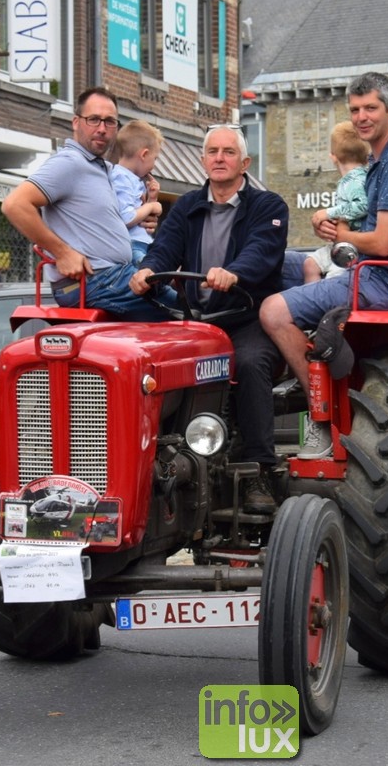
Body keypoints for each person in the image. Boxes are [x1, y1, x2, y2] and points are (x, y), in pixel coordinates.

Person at [261, 71, 388, 459]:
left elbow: (384, 242)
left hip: (383, 283)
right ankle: (285, 370)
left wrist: (340, 233)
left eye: (370, 108)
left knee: (272, 310)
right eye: (355, 109)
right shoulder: (381, 158)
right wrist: (334, 227)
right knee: (268, 267)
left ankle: (319, 413)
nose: (361, 117)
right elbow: (364, 230)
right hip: (370, 271)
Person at [129, 125, 288, 512]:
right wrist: (148, 270)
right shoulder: (186, 206)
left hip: (247, 316)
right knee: (147, 365)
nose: (219, 158)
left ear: (244, 162)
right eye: (213, 151)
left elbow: (261, 251)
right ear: (203, 161)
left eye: (228, 152)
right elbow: (164, 249)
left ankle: (259, 472)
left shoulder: (268, 207)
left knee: (251, 363)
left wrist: (234, 273)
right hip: (198, 320)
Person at [1, 87, 167, 321]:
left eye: (110, 122)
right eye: (94, 120)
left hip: (113, 277)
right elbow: (14, 204)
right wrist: (62, 253)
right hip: (95, 281)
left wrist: (145, 213)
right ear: (76, 122)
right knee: (186, 311)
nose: (101, 128)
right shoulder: (70, 163)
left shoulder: (103, 169)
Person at [303, 121, 369, 283]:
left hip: (353, 247)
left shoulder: (356, 180)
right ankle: (313, 298)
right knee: (310, 264)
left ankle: (319, 301)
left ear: (333, 156)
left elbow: (362, 205)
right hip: (343, 242)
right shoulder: (350, 180)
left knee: (334, 276)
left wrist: (329, 212)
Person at [110, 119, 164, 264]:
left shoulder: (131, 178)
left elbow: (141, 220)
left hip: (141, 244)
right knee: (152, 276)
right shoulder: (120, 177)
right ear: (144, 154)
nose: (154, 165)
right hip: (133, 246)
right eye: (155, 158)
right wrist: (151, 206)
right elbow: (126, 217)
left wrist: (151, 199)